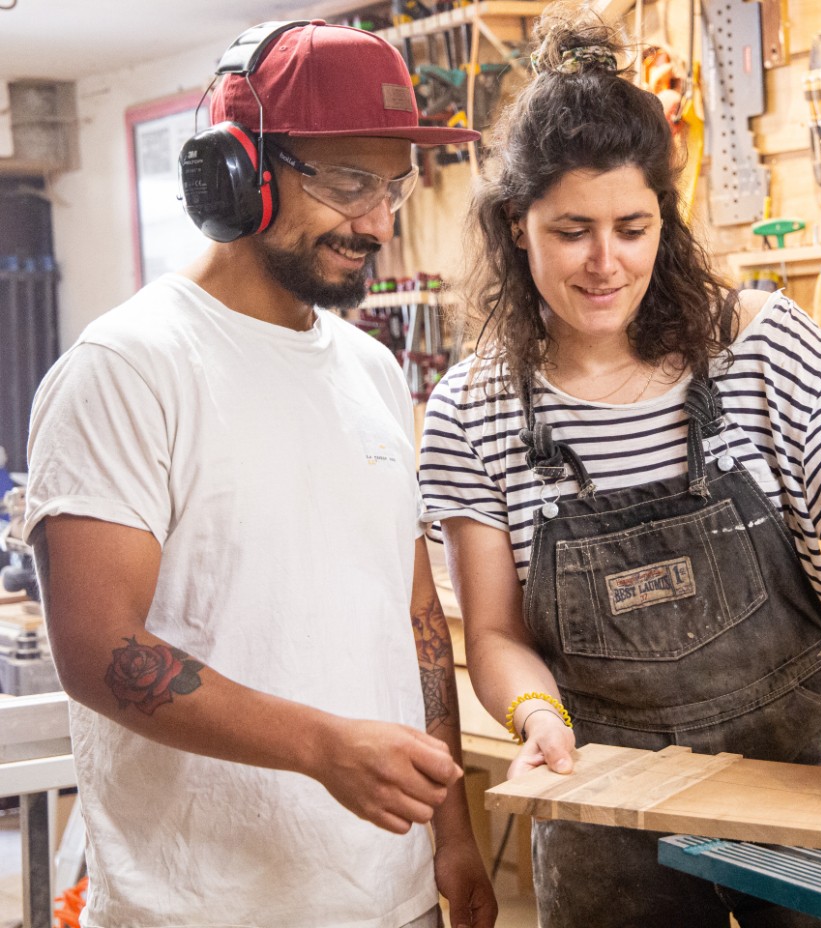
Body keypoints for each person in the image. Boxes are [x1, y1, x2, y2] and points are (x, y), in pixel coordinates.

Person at [417, 4, 821, 926]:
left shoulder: (759, 347)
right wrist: (537, 720)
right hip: (605, 792)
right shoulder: (473, 409)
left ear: (666, 216)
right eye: (571, 230)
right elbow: (497, 635)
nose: (604, 263)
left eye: (632, 226)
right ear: (517, 225)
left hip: (807, 765)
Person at [24, 21, 496, 928]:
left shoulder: (370, 373)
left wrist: (451, 833)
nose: (378, 222)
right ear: (235, 175)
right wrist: (323, 748)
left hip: (388, 899)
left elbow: (413, 619)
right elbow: (96, 650)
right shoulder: (126, 368)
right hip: (202, 907)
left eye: (393, 185)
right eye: (348, 182)